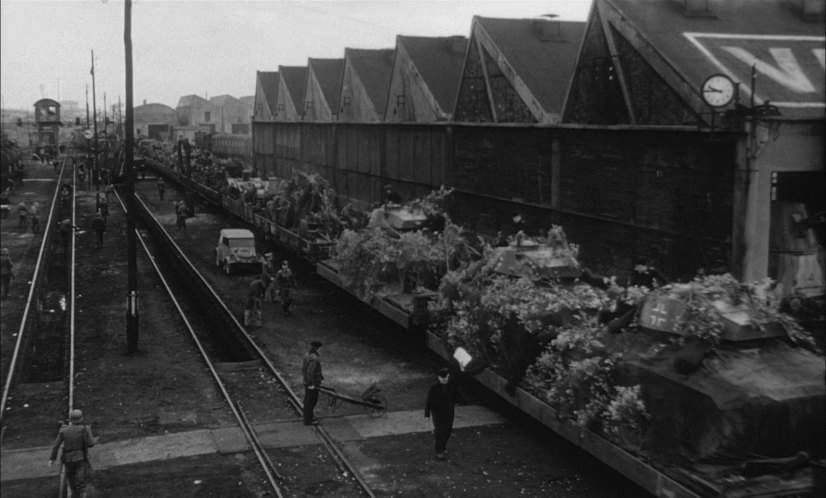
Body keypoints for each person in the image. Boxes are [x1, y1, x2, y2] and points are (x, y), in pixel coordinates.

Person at [49, 409, 98, 498]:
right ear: (81, 418)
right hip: (80, 459)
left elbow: (55, 446)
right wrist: (94, 438)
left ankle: (72, 494)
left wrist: (52, 458)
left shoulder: (64, 430)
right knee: (81, 481)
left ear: (70, 419)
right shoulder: (84, 429)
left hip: (67, 459)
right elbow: (91, 444)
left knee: (71, 480)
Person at [425, 367, 457, 460]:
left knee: (448, 431)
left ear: (448, 376)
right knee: (439, 431)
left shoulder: (452, 384)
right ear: (438, 378)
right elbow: (429, 401)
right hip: (437, 413)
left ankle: (443, 446)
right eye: (442, 378)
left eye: (446, 378)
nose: (444, 380)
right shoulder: (434, 387)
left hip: (449, 411)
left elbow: (456, 394)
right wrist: (427, 414)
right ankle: (439, 451)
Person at [302, 341, 324, 425]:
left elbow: (304, 369)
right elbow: (310, 372)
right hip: (312, 383)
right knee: (311, 401)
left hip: (307, 381)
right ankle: (308, 420)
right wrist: (311, 384)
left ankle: (308, 417)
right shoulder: (314, 358)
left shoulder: (307, 355)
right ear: (317, 348)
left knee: (308, 400)